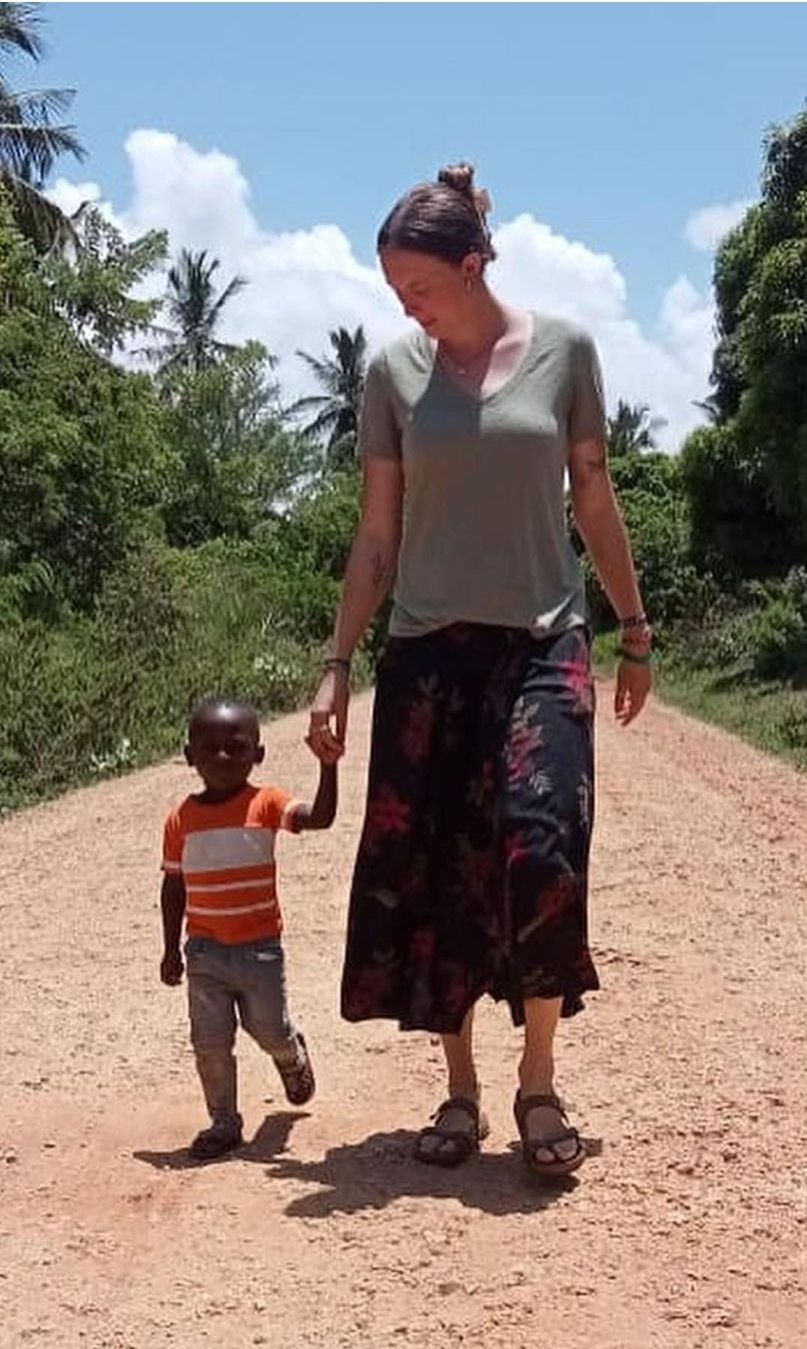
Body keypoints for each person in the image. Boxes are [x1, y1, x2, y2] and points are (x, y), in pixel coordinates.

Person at [306, 162, 652, 1179]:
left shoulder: (564, 352)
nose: (402, 304)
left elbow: (591, 494)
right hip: (425, 653)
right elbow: (377, 533)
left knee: (540, 848)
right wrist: (336, 663)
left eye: (417, 284)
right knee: (440, 868)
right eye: (392, 288)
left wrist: (631, 628)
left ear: (472, 263)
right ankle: (458, 1087)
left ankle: (536, 1082)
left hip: (543, 642)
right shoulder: (391, 373)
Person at [160, 696, 337, 1159]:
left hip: (260, 950)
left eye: (235, 747)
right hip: (204, 953)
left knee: (269, 1030)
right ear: (189, 756)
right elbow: (173, 887)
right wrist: (170, 950)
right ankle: (224, 1122)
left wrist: (328, 767)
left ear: (257, 755)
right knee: (210, 1042)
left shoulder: (266, 803)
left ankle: (291, 1055)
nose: (222, 757)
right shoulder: (181, 820)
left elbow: (319, 818)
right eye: (209, 747)